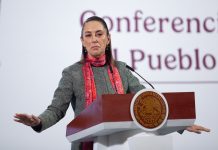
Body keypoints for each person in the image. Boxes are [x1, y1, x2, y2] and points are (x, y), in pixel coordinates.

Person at [14, 16, 210, 150]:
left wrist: (180, 124)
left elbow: (147, 102)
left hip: (123, 145)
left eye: (99, 34)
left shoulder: (123, 70)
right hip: (85, 146)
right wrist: (38, 121)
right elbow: (56, 110)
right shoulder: (71, 73)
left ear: (108, 39)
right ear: (82, 41)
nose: (94, 40)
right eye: (88, 35)